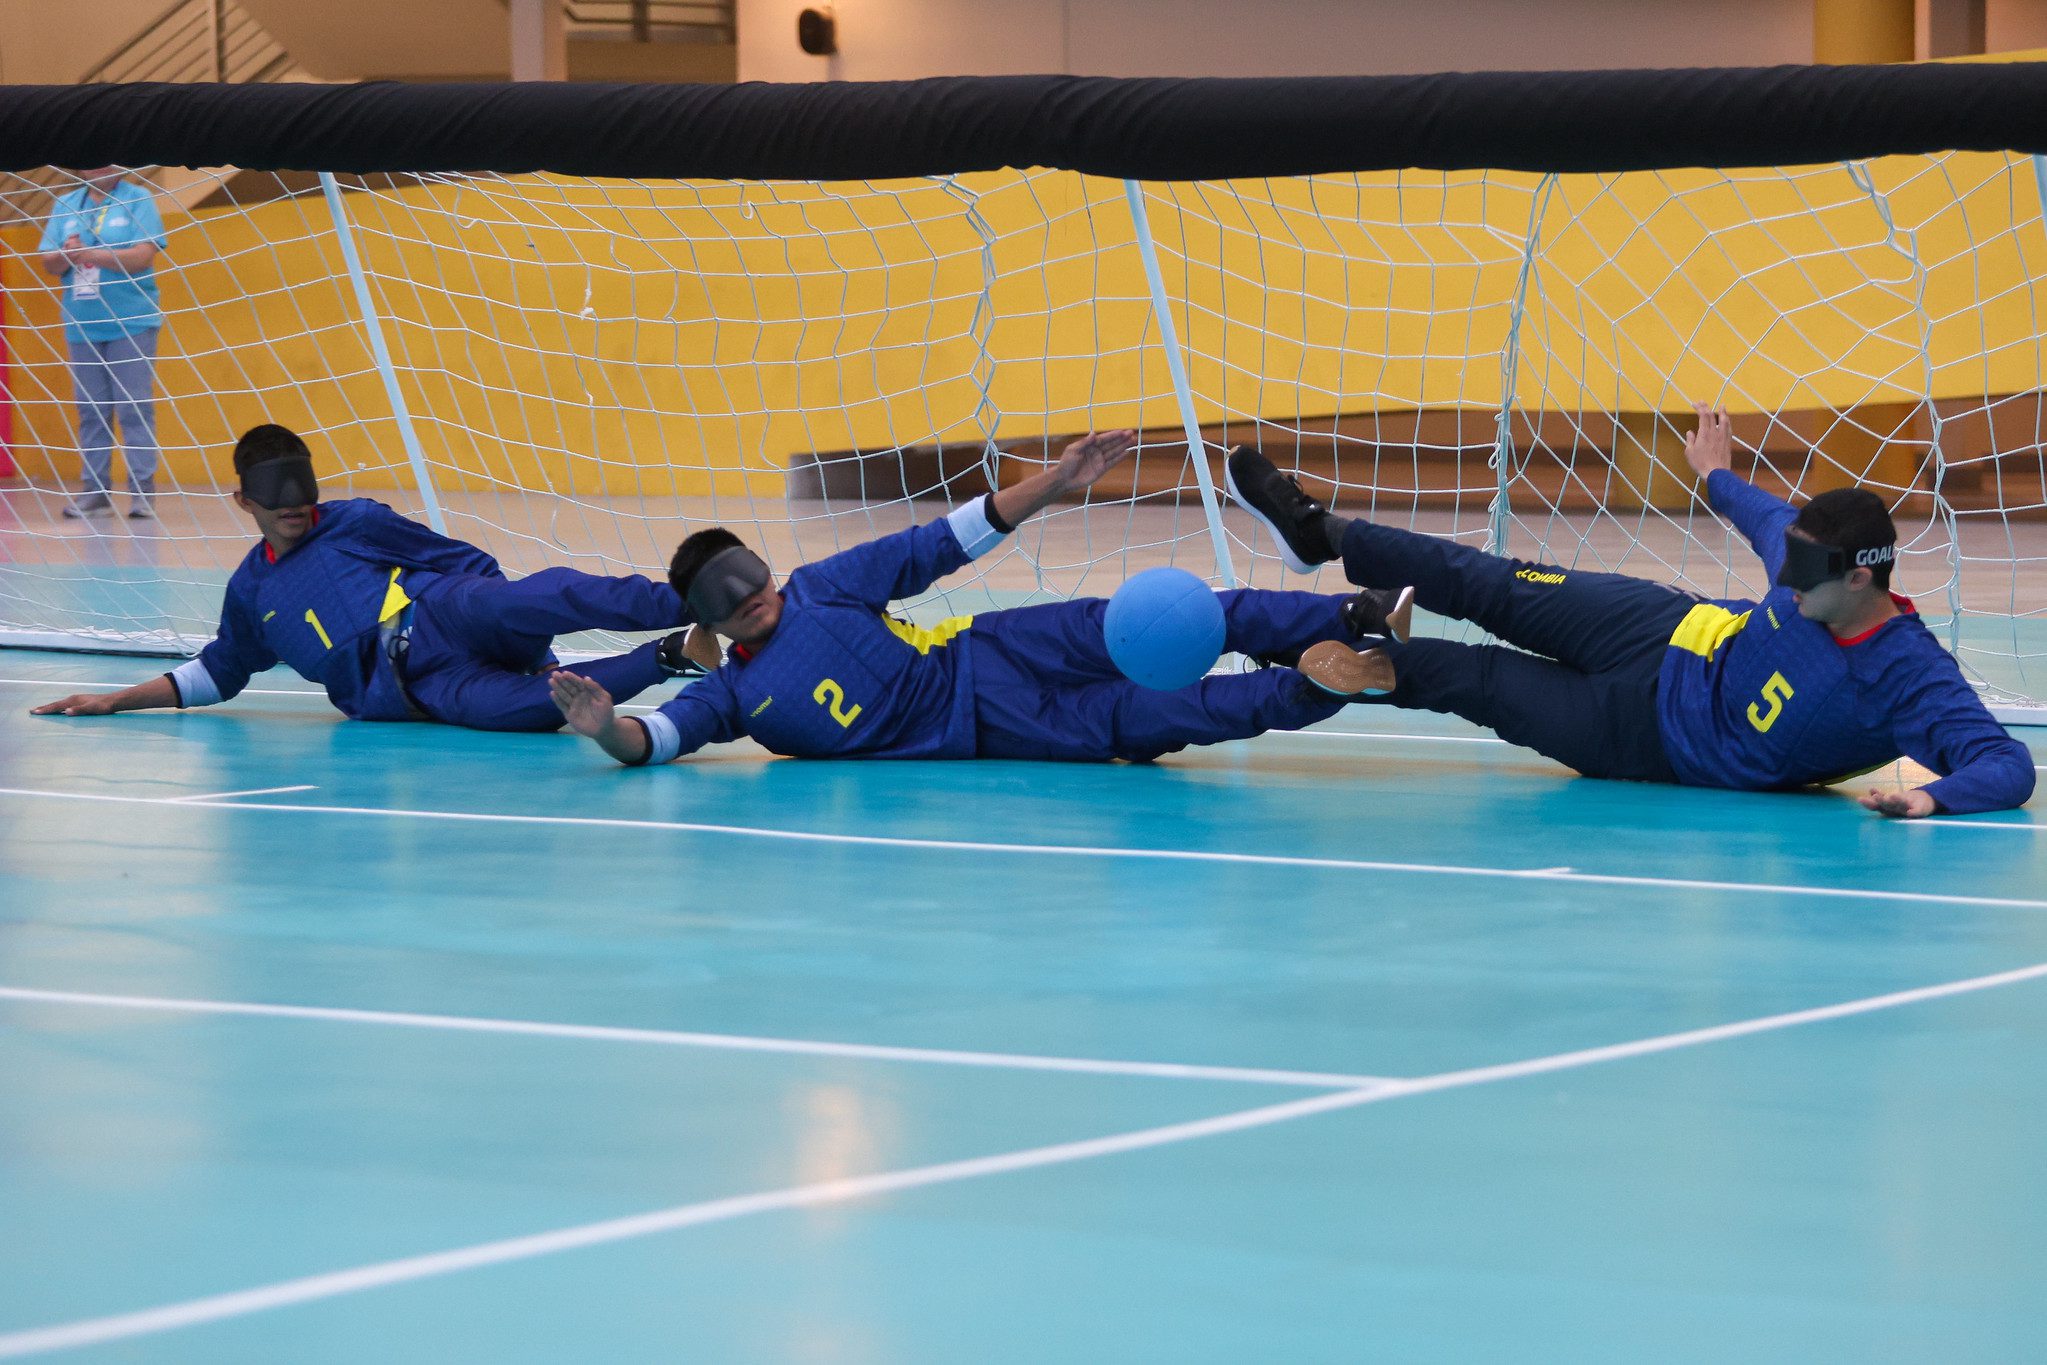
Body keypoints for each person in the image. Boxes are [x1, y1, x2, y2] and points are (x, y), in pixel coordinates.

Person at [1221, 407, 2036, 818]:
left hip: (1652, 739)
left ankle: (1323, 657)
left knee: (1468, 677)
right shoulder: (1804, 565)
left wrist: (1930, 799)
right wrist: (1714, 473)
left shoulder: (1908, 674)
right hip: (1661, 628)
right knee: (1488, 582)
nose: (1783, 576)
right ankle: (1317, 530)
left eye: (1802, 568)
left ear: (1863, 580)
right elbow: (1759, 518)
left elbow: (2008, 767)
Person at [548, 429, 1408, 767]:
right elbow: (655, 738)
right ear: (712, 620)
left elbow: (943, 543)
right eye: (734, 605)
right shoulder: (733, 694)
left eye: (758, 584)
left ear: (768, 572)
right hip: (992, 730)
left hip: (992, 650)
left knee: (1157, 616)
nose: (757, 603)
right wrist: (603, 729)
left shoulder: (823, 589)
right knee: (1157, 717)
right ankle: (1331, 677)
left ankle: (1348, 615)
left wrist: (1056, 481)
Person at [33, 424, 711, 730]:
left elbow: (455, 556)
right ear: (244, 502)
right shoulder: (251, 591)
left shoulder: (352, 519)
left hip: (440, 612)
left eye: (303, 491)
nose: (297, 507)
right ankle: (674, 652)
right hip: (417, 689)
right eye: (278, 498)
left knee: (547, 594)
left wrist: (493, 610)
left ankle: (700, 597)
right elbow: (218, 671)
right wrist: (114, 700)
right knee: (526, 712)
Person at [37, 166, 167, 520]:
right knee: (91, 412)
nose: (100, 167)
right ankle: (95, 494)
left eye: (108, 161)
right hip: (82, 324)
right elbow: (49, 261)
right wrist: (68, 254)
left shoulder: (137, 199)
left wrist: (92, 254)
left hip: (131, 322)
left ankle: (142, 494)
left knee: (133, 409)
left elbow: (142, 256)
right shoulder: (65, 204)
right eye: (92, 161)